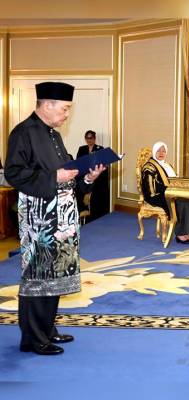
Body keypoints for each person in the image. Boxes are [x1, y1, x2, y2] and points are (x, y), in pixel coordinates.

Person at [4, 81, 106, 355]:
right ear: (47, 105)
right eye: (65, 109)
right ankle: (33, 338)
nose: (67, 115)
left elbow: (67, 177)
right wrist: (53, 177)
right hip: (39, 220)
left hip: (62, 218)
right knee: (38, 276)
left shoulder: (54, 135)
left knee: (55, 275)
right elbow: (14, 173)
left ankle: (47, 330)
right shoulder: (23, 133)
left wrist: (88, 177)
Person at [141, 141, 189, 244]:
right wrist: (170, 190)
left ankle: (187, 231)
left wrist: (177, 188)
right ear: (154, 151)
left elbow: (174, 179)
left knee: (187, 201)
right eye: (158, 151)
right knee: (180, 203)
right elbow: (150, 187)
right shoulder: (149, 166)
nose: (161, 153)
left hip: (169, 192)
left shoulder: (167, 165)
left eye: (163, 151)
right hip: (155, 195)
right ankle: (180, 234)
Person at [75, 130, 110, 222]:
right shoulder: (82, 149)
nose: (89, 140)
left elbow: (103, 163)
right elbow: (78, 162)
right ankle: (83, 211)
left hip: (97, 177)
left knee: (98, 190)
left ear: (94, 139)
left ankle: (97, 215)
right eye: (87, 138)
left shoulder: (100, 148)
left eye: (91, 138)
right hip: (85, 176)